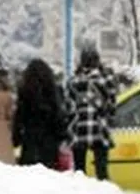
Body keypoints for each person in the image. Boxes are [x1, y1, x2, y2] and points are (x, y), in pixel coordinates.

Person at [65, 45, 118, 181]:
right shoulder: (107, 78)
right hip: (100, 128)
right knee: (102, 171)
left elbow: (69, 107)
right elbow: (112, 104)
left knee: (79, 172)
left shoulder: (73, 81)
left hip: (78, 129)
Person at [13, 58, 67, 169]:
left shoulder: (24, 92)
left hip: (30, 141)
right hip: (50, 143)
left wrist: (16, 138)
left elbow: (19, 117)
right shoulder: (56, 91)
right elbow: (59, 115)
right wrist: (61, 136)